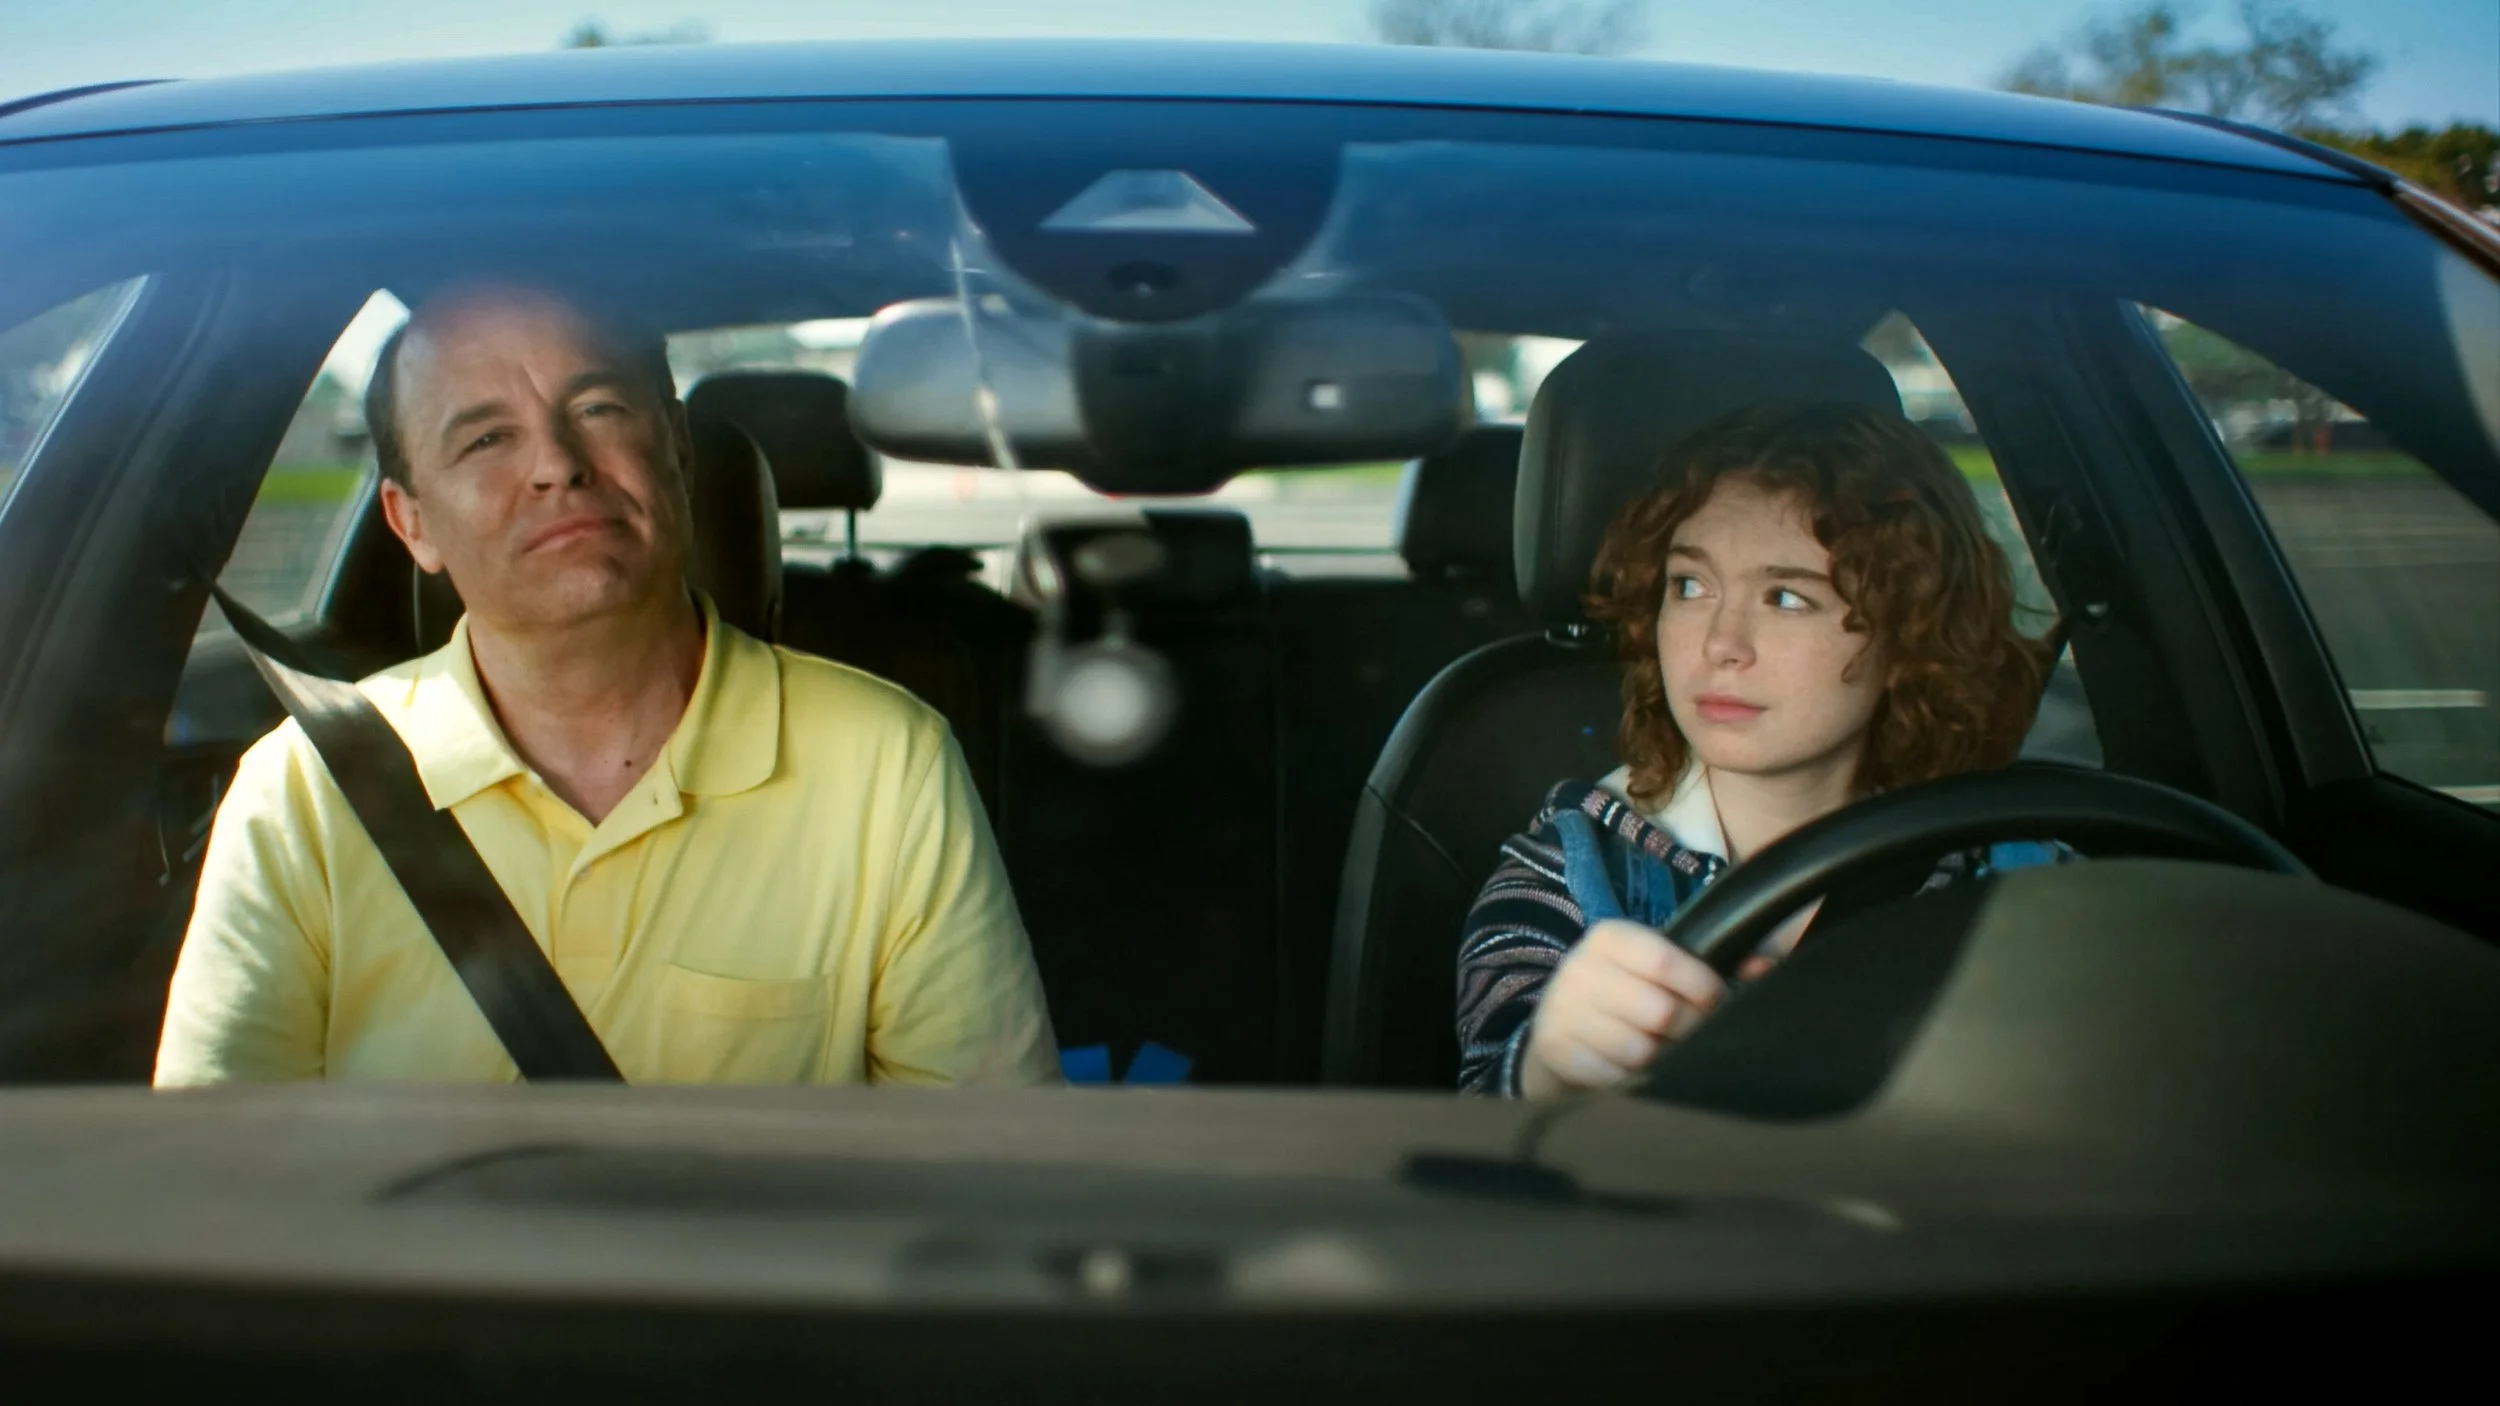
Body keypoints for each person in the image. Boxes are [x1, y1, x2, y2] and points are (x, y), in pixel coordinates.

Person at [156, 282, 1059, 1086]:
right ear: (412, 522)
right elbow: (214, 1190)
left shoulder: (885, 764)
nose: (557, 463)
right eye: (485, 438)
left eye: (595, 408)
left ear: (677, 452)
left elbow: (982, 1169)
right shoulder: (304, 793)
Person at [1456, 400, 2058, 1098]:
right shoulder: (1571, 873)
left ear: (1909, 636)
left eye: (1787, 598)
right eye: (1690, 586)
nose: (1721, 644)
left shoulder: (2019, 874)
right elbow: (1485, 1120)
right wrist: (1549, 1066)